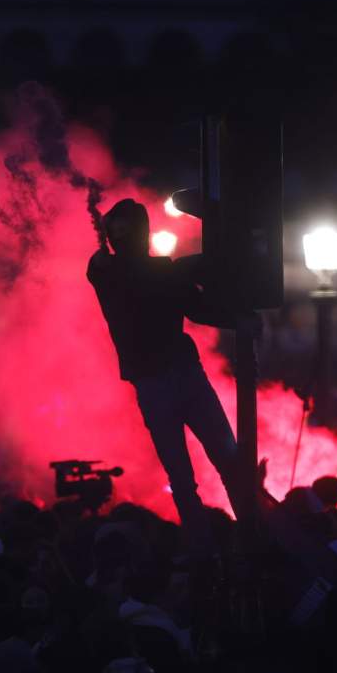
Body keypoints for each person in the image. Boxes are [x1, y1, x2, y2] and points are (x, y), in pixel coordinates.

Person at [87, 198, 252, 556]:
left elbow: (199, 308)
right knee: (221, 462)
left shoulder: (121, 271)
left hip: (161, 381)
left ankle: (209, 547)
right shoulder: (151, 272)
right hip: (178, 377)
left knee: (188, 475)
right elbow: (202, 309)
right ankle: (244, 536)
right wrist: (240, 318)